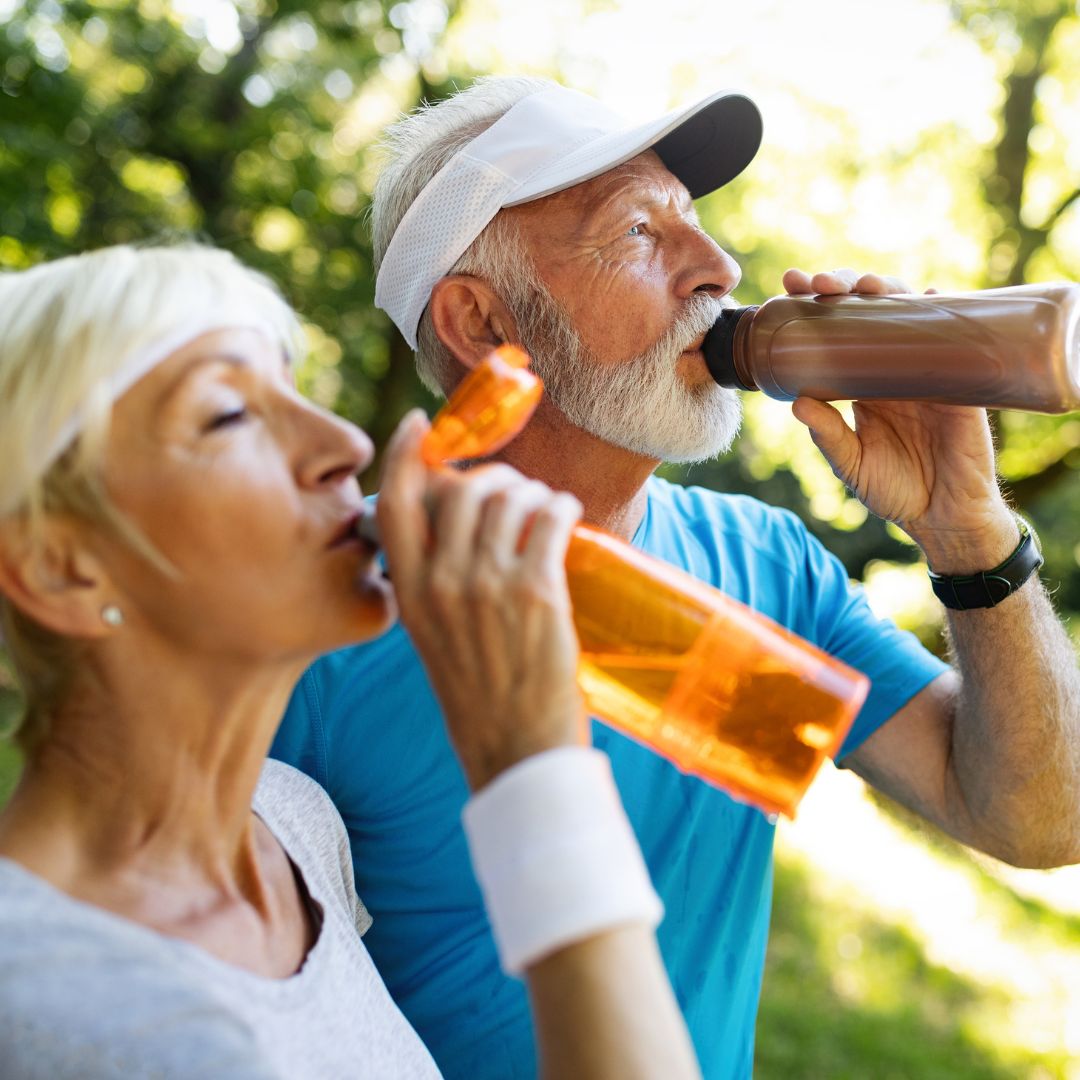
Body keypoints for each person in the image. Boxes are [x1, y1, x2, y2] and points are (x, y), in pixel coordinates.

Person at [271, 76, 1080, 1079]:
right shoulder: (312, 619)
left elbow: (1042, 819)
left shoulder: (766, 568)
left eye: (696, 224)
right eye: (641, 234)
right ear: (482, 325)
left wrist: (970, 536)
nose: (722, 267)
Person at [0, 243, 702, 1079]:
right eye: (228, 415)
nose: (343, 444)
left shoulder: (294, 827)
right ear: (61, 566)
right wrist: (531, 763)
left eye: (294, 394)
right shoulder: (60, 1004)